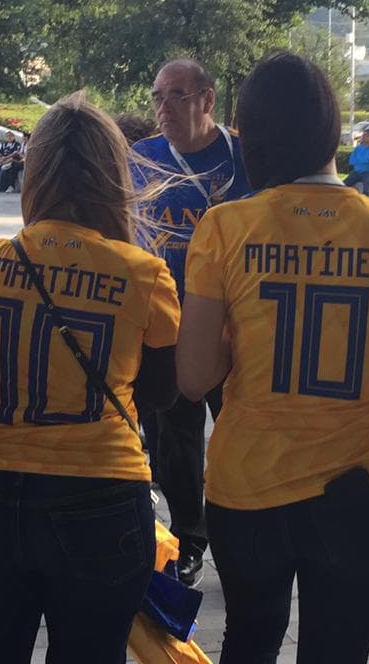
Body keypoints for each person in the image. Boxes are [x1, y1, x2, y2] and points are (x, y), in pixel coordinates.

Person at [177, 52, 369, 662]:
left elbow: (192, 379)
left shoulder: (224, 227)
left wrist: (239, 334)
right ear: (331, 130)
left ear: (251, 134)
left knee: (249, 641)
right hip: (358, 484)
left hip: (248, 484)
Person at [0, 94, 180, 662]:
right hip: (102, 497)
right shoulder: (146, 275)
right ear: (114, 177)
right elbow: (161, 394)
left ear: (34, 175)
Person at [130, 57, 251, 586]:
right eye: (158, 97)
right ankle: (188, 538)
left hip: (237, 326)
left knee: (239, 432)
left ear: (207, 98)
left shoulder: (245, 158)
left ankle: (242, 530)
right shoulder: (141, 158)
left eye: (177, 96)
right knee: (174, 443)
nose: (164, 108)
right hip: (167, 323)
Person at [345, 128, 369, 198]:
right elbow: (351, 161)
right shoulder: (357, 149)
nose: (364, 137)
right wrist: (363, 160)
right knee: (345, 183)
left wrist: (359, 161)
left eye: (367, 135)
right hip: (357, 172)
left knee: (366, 183)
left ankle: (365, 200)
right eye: (363, 135)